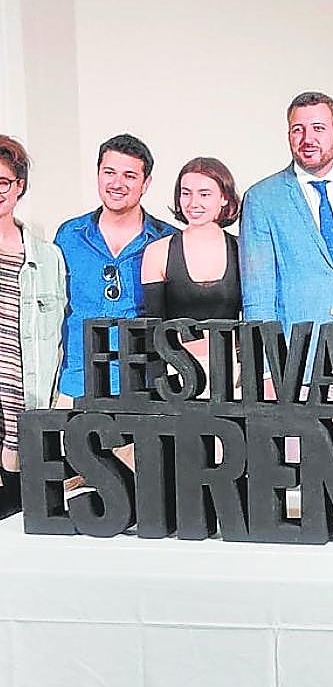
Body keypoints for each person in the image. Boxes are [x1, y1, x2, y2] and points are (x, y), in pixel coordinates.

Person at [239, 91, 333, 384]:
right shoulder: (262, 199)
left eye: (318, 128)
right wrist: (266, 370)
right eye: (298, 129)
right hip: (295, 362)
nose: (308, 138)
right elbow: (258, 295)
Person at [55, 134, 177, 401]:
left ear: (146, 184)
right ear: (98, 174)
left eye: (130, 176)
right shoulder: (69, 235)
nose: (117, 183)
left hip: (145, 389)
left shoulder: (168, 241)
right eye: (109, 172)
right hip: (77, 385)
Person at [0, 135, 66, 482]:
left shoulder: (46, 256)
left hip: (26, 405)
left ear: (19, 186)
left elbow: (56, 338)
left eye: (3, 182)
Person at [141, 157, 241, 344]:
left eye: (204, 194)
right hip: (174, 368)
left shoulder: (243, 250)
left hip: (234, 368)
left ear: (224, 198)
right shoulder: (157, 252)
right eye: (186, 193)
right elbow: (153, 331)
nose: (193, 203)